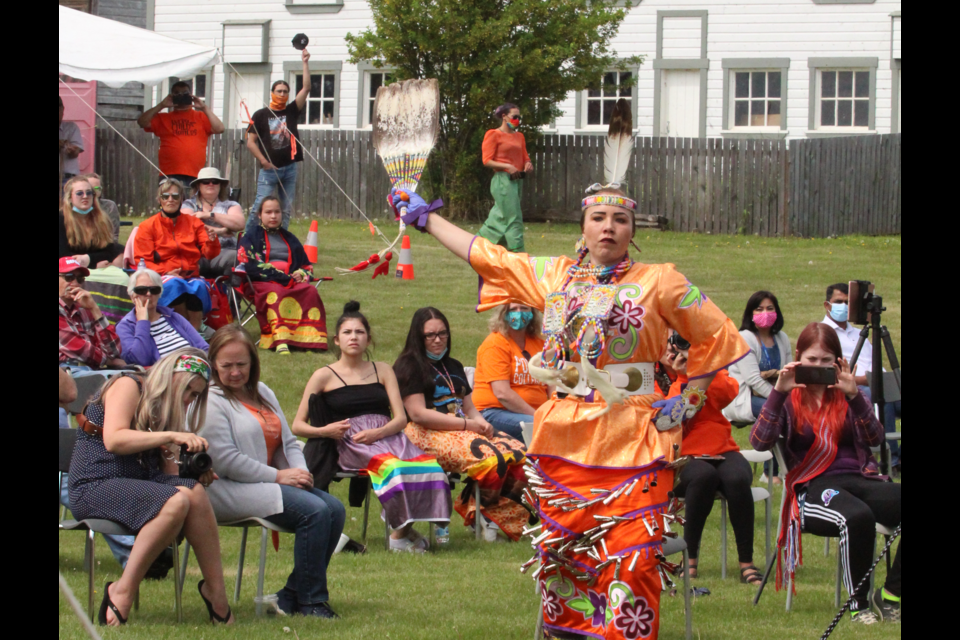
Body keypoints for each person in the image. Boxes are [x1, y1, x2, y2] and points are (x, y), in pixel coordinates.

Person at [388, 165, 749, 637]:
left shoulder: (662, 280)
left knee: (634, 556)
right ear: (583, 226)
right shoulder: (555, 276)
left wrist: (687, 401)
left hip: (634, 436)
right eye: (599, 217)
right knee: (563, 557)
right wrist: (425, 219)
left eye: (619, 220)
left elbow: (718, 334)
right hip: (565, 436)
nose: (608, 227)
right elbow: (489, 257)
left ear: (632, 232)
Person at [68, 349, 235, 627]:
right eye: (186, 387)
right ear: (168, 375)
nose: (187, 398)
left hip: (137, 484)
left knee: (191, 492)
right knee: (176, 500)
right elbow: (114, 440)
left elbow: (168, 472)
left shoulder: (166, 409)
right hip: (95, 484)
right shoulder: (129, 384)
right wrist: (171, 434)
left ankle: (216, 593)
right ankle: (122, 590)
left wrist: (193, 472)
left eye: (195, 394)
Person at [751, 323, 901, 626]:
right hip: (814, 488)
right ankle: (859, 605)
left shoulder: (847, 395)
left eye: (826, 360)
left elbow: (875, 441)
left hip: (860, 479)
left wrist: (855, 396)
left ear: (838, 361)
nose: (818, 367)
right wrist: (778, 392)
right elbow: (759, 442)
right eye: (812, 359)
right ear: (798, 358)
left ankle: (892, 595)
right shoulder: (787, 398)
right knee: (857, 516)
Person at [203, 326, 344, 619]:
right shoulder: (211, 400)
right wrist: (279, 477)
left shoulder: (263, 391)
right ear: (214, 364)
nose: (234, 372)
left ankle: (290, 595)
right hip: (226, 488)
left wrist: (301, 474)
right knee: (315, 512)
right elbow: (226, 460)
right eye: (226, 366)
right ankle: (312, 602)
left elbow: (288, 442)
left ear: (253, 362)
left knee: (334, 509)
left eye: (241, 364)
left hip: (267, 482)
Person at [293, 303, 452, 553]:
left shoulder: (383, 370)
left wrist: (378, 433)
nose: (353, 337)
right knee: (395, 470)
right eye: (347, 332)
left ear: (368, 338)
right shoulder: (323, 376)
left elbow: (400, 418)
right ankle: (400, 538)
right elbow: (297, 425)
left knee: (431, 469)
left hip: (389, 435)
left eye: (359, 332)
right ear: (336, 339)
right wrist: (327, 431)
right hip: (352, 442)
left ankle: (401, 530)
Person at [394, 307, 532, 543]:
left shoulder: (454, 366)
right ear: (418, 336)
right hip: (424, 433)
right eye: (430, 335)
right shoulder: (409, 366)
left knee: (521, 454)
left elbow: (469, 407)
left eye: (443, 333)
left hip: (462, 429)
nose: (438, 340)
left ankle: (486, 514)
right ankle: (475, 511)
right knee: (491, 458)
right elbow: (418, 414)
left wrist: (481, 422)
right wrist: (467, 425)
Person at [668, 341, 762, 586]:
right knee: (703, 477)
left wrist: (701, 367)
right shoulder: (663, 371)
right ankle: (689, 559)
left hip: (722, 448)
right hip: (685, 452)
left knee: (738, 478)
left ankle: (746, 562)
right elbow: (673, 417)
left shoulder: (713, 369)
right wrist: (681, 376)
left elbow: (725, 395)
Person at [821, 283, 900, 471]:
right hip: (851, 387)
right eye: (839, 302)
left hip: (875, 380)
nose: (844, 306)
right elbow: (831, 374)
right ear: (827, 305)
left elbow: (876, 363)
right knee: (879, 395)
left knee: (884, 390)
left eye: (848, 302)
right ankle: (893, 459)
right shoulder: (823, 332)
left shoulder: (859, 333)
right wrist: (867, 380)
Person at [237, 197, 328, 355]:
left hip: (290, 281)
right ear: (259, 215)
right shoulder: (250, 236)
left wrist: (301, 274)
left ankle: (309, 340)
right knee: (276, 293)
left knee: (310, 291)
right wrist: (281, 277)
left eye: (277, 212)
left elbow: (306, 265)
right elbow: (250, 265)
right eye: (268, 212)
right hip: (260, 282)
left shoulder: (290, 238)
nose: (273, 216)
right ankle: (281, 340)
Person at [134, 178, 221, 332]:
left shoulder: (193, 223)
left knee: (199, 286)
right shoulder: (147, 226)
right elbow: (142, 260)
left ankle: (196, 330)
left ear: (182, 199)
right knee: (175, 284)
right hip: (161, 275)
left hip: (190, 275)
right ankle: (182, 329)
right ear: (159, 200)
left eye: (175, 196)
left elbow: (209, 254)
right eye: (165, 196)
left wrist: (212, 240)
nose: (170, 200)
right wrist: (165, 271)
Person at [725, 291, 793, 482]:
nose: (765, 312)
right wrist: (779, 400)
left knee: (794, 411)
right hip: (745, 396)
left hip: (774, 394)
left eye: (770, 308)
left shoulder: (782, 338)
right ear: (751, 313)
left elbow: (787, 372)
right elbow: (753, 379)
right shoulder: (744, 338)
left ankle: (793, 466)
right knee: (775, 413)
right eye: (760, 309)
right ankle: (769, 472)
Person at [245, 49, 312, 235]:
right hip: (269, 170)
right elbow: (251, 142)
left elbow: (306, 88)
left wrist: (305, 63)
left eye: (285, 92)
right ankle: (247, 239)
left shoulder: (291, 110)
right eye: (279, 91)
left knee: (286, 208)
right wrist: (263, 161)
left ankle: (280, 241)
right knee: (259, 205)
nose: (282, 94)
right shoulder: (261, 115)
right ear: (272, 93)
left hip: (289, 168)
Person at [472, 303, 548, 443]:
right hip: (494, 412)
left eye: (524, 308)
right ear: (503, 314)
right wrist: (539, 416)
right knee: (543, 427)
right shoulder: (495, 343)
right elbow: (503, 394)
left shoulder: (540, 344)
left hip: (533, 414)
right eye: (513, 309)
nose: (519, 313)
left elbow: (552, 384)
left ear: (532, 313)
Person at [117, 268, 209, 368]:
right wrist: (143, 322)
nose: (148, 294)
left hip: (196, 369)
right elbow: (140, 360)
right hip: (165, 378)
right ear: (132, 295)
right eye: (142, 290)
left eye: (154, 290)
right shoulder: (125, 326)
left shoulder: (172, 316)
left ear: (159, 294)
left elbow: (203, 347)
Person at [137, 82, 225, 185]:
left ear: (190, 96)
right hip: (169, 173)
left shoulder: (201, 116)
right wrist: (161, 105)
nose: (181, 96)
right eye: (177, 93)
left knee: (191, 201)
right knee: (170, 200)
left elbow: (220, 128)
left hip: (195, 174)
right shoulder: (163, 118)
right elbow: (142, 122)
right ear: (172, 96)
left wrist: (204, 107)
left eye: (185, 93)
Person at [478, 103, 534, 253]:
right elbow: (486, 160)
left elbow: (525, 157)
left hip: (517, 179)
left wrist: (528, 164)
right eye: (514, 117)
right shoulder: (493, 134)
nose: (517, 120)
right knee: (514, 217)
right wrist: (507, 166)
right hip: (502, 180)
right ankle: (518, 252)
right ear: (504, 116)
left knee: (501, 215)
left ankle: (481, 243)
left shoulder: (519, 136)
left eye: (519, 118)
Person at [59, 257, 125, 371]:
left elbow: (114, 351)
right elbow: (79, 348)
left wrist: (95, 309)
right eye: (69, 277)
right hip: (67, 371)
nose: (75, 283)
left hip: (91, 370)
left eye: (80, 279)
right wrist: (109, 361)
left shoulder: (85, 308)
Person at [182, 168, 246, 278]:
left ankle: (231, 293)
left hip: (226, 251)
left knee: (235, 258)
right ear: (198, 185)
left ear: (220, 185)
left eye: (215, 181)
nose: (210, 184)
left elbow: (239, 224)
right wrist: (221, 230)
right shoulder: (188, 204)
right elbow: (187, 225)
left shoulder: (231, 204)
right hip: (198, 252)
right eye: (206, 181)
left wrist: (209, 215)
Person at [59, 177, 125, 269]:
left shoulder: (101, 219)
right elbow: (62, 256)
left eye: (89, 192)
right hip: (69, 271)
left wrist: (89, 259)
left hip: (98, 269)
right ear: (70, 198)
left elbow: (112, 250)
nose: (85, 196)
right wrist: (93, 264)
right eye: (79, 193)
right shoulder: (61, 219)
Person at [83, 173, 121, 242]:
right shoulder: (77, 208)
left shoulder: (109, 206)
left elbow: (113, 236)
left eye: (97, 188)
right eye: (90, 188)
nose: (94, 191)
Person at [59, 96, 84, 184]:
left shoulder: (71, 127)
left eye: (60, 110)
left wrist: (72, 150)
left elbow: (75, 154)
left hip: (68, 179)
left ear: (63, 110)